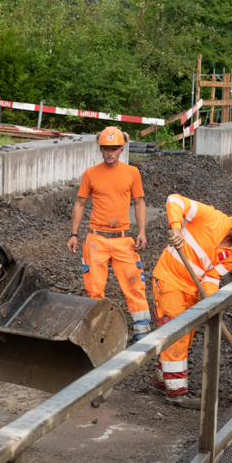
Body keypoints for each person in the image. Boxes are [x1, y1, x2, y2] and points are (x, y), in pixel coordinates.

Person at [150, 194, 232, 398]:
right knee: (177, 335)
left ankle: (161, 379)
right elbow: (174, 200)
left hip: (192, 291)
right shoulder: (210, 217)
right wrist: (175, 228)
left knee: (185, 338)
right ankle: (177, 393)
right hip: (169, 280)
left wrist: (212, 302)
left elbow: (211, 276)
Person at [67, 126, 151, 335]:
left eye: (114, 148)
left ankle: (142, 331)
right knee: (94, 289)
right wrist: (74, 234)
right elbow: (80, 204)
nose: (110, 153)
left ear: (122, 149)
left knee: (134, 285)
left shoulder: (132, 173)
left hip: (124, 239)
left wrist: (141, 232)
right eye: (106, 148)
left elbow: (139, 202)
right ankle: (99, 332)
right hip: (96, 239)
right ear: (100, 149)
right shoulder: (90, 174)